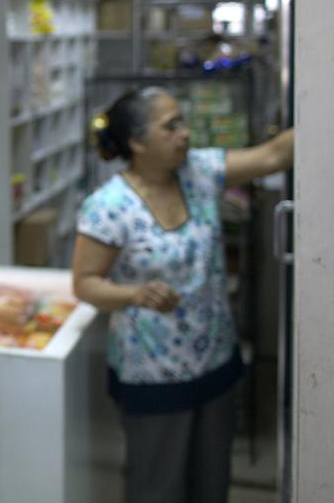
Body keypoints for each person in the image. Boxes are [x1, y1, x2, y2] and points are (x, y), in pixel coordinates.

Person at [71, 87, 294, 503]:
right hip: (154, 374)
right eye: (171, 126)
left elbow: (274, 156)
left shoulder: (201, 171)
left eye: (184, 122)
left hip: (215, 362)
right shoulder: (109, 206)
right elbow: (85, 283)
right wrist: (134, 294)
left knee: (211, 483)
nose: (186, 134)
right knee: (158, 486)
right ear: (138, 142)